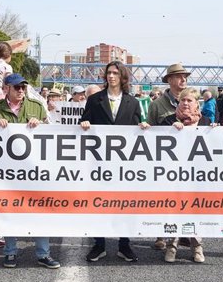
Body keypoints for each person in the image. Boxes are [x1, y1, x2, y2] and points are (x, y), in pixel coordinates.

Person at [0, 73, 60, 269]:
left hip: (34, 169)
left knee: (40, 210)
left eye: (23, 87)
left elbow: (51, 132)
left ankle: (43, 254)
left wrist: (41, 125)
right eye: (16, 87)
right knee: (10, 209)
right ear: (6, 89)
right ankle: (10, 252)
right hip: (8, 171)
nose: (21, 90)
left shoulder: (36, 106)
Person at [81, 61, 142, 262]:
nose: (111, 76)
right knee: (98, 201)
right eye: (109, 73)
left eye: (115, 73)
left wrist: (143, 127)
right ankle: (99, 244)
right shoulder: (94, 99)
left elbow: (136, 129)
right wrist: (85, 123)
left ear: (122, 77)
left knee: (124, 201)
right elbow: (84, 120)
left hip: (123, 163)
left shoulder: (132, 102)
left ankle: (124, 244)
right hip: (99, 162)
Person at [158, 88, 210, 263]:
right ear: (178, 103)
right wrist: (171, 130)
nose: (186, 104)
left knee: (195, 211)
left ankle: (197, 247)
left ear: (197, 104)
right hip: (174, 176)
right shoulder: (169, 121)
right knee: (175, 210)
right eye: (183, 100)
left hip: (197, 176)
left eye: (190, 101)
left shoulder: (206, 122)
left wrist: (215, 131)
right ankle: (172, 245)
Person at [147, 63, 190, 250]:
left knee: (186, 197)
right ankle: (161, 234)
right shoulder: (157, 104)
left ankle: (184, 233)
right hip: (165, 160)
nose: (183, 79)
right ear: (170, 80)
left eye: (185, 76)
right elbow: (149, 129)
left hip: (188, 159)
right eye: (179, 76)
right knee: (164, 198)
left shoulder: (192, 100)